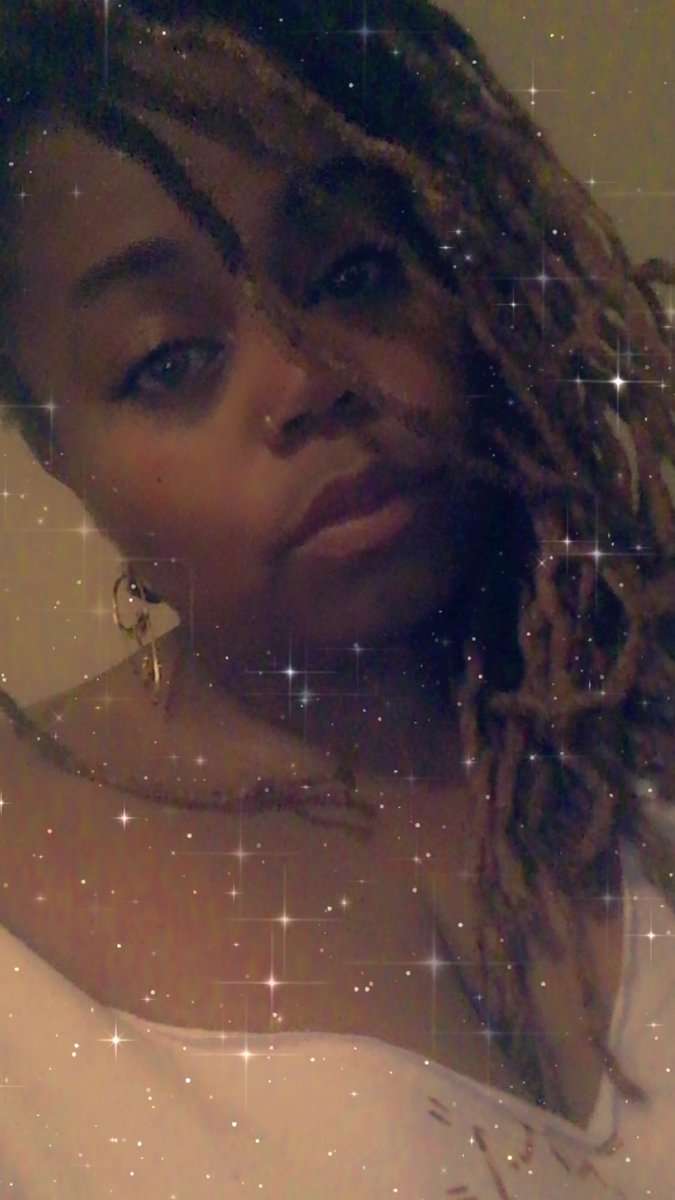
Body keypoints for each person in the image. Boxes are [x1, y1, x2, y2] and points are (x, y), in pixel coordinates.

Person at [0, 0, 673, 1195]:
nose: (309, 376)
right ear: (56, 450)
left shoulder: (643, 689)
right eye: (169, 358)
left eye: (356, 273)